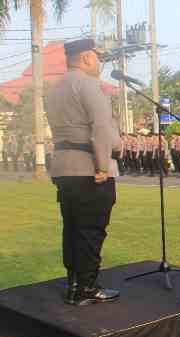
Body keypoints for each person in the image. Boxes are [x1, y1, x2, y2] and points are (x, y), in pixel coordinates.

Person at [45, 38, 120, 306]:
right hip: (90, 167)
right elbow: (100, 128)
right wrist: (102, 165)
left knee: (73, 227)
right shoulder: (88, 85)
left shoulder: (54, 89)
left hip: (65, 167)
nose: (99, 62)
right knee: (92, 229)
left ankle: (74, 284)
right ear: (87, 57)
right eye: (98, 57)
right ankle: (88, 288)